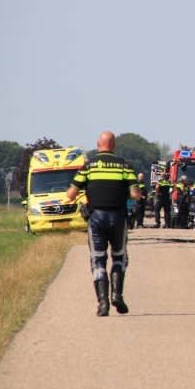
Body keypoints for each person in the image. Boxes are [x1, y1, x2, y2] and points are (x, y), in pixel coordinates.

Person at [65, 131, 140, 317]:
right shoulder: (124, 165)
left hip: (96, 217)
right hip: (118, 217)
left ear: (98, 144)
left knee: (98, 260)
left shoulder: (88, 166)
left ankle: (103, 304)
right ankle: (117, 295)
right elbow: (135, 194)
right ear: (114, 145)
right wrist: (121, 192)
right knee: (119, 257)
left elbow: (70, 195)